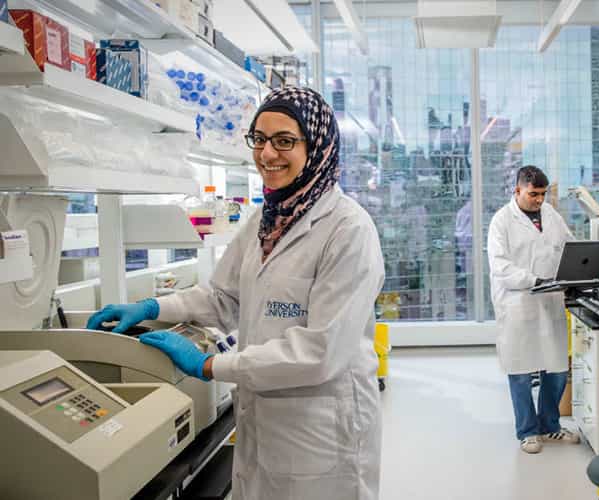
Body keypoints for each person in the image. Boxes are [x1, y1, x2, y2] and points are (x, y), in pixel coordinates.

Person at [87, 87, 385, 500]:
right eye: (259, 139)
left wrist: (211, 365)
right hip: (264, 413)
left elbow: (322, 350)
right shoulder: (265, 220)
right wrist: (153, 307)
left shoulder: (348, 230)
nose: (267, 154)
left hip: (321, 423)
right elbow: (223, 297)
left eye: (284, 141)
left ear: (316, 147)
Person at [487, 165, 581, 454]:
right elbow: (500, 266)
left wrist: (579, 269)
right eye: (533, 194)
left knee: (556, 367)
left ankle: (550, 426)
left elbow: (569, 246)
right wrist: (534, 280)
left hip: (550, 301)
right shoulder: (501, 222)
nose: (539, 200)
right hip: (519, 303)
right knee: (521, 370)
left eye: (543, 194)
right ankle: (527, 431)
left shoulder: (551, 215)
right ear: (517, 191)